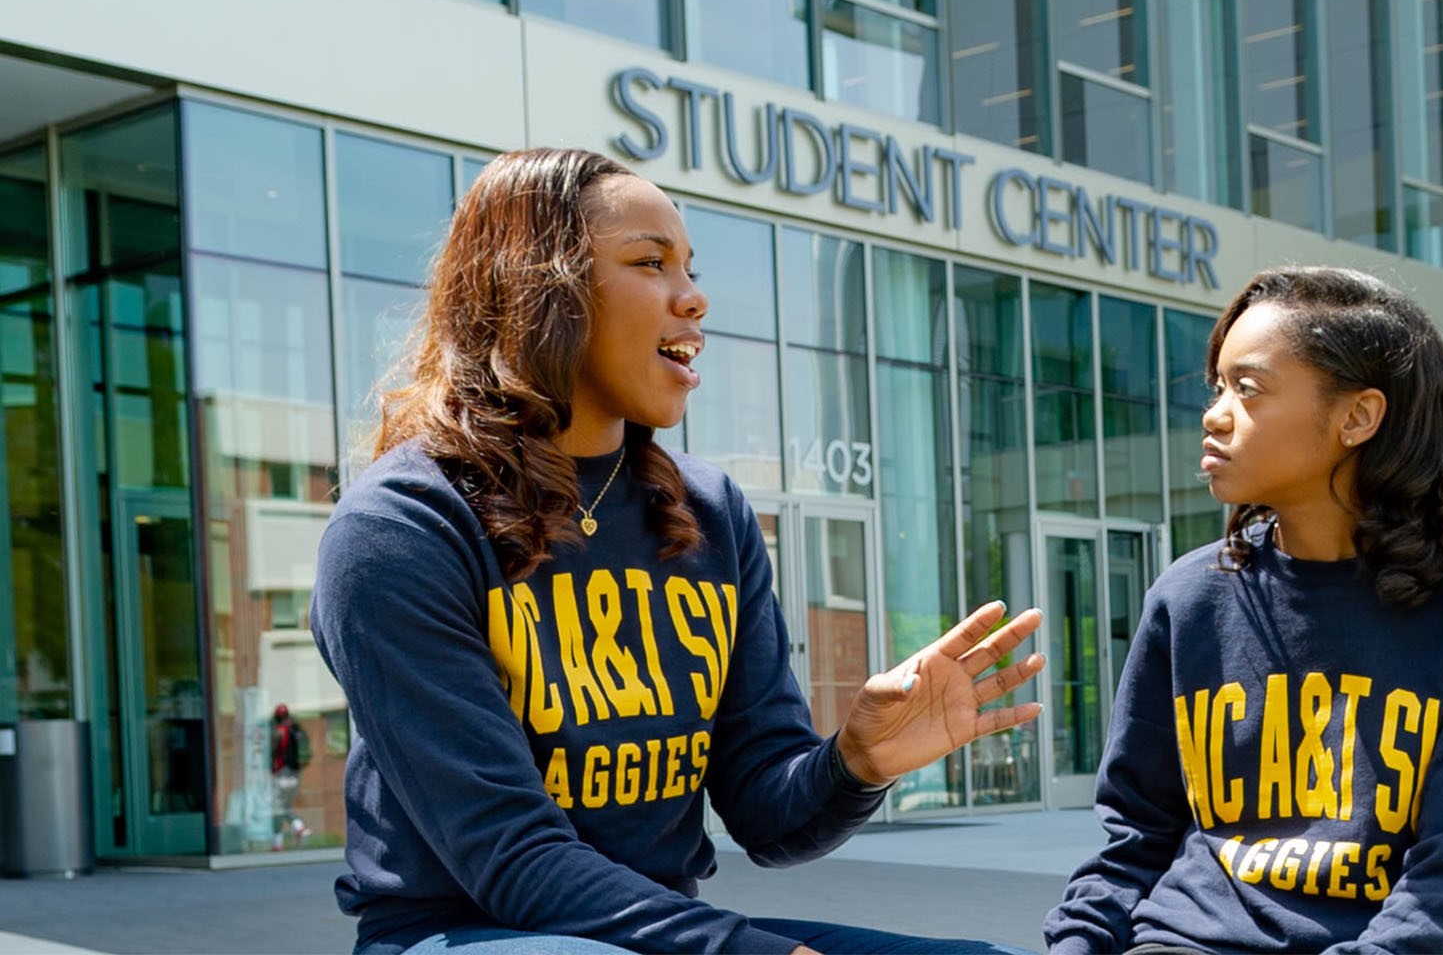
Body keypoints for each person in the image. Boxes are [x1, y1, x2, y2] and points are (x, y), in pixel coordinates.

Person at [309, 148, 1047, 955]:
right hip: (463, 931)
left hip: (650, 928)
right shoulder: (401, 528)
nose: (693, 297)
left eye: (689, 267)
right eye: (649, 262)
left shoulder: (710, 513)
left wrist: (856, 762)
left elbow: (767, 815)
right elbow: (512, 858)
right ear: (539, 289)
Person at [1044, 267, 1443, 954]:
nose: (1214, 414)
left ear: (1357, 418)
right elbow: (1135, 838)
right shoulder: (1189, 598)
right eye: (1218, 387)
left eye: (1248, 388)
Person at [269, 702, 310, 849]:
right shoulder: (296, 731)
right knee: (284, 807)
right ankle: (283, 839)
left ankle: (295, 829)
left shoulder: (278, 732)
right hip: (295, 775)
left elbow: (271, 753)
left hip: (281, 775)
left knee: (277, 809)